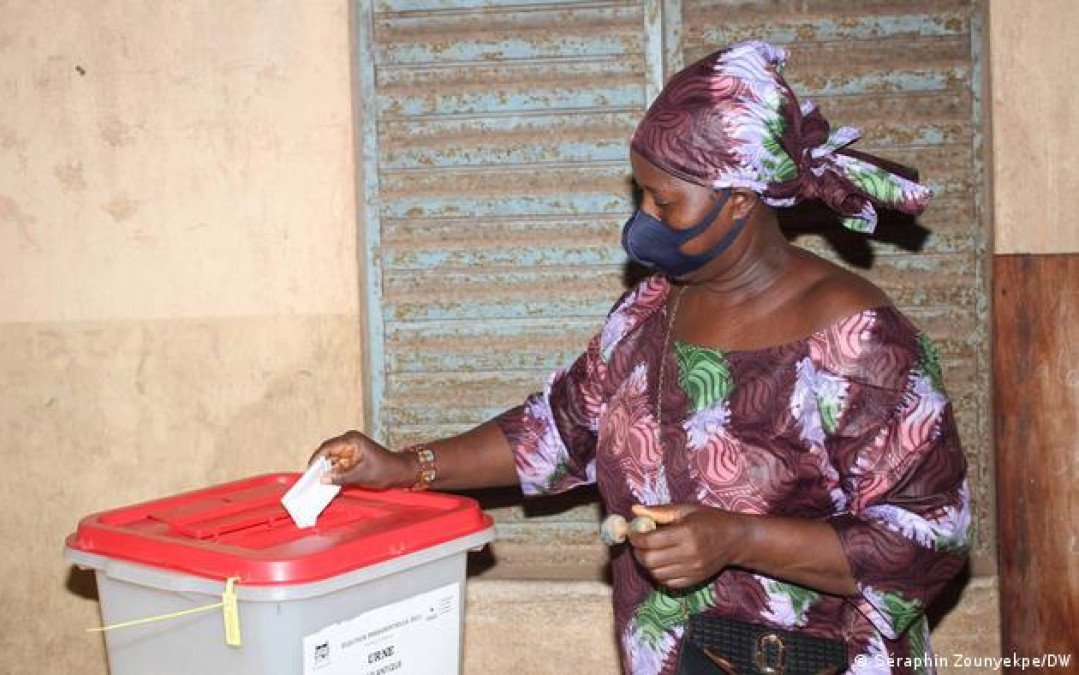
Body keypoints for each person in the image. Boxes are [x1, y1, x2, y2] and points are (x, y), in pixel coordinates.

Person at [312, 40, 970, 675]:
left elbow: (927, 539)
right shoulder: (651, 309)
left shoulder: (855, 338)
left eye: (664, 200)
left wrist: (736, 539)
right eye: (641, 194)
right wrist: (404, 466)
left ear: (737, 202)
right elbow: (558, 428)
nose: (643, 217)